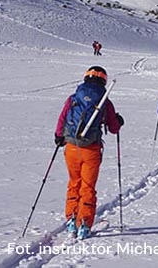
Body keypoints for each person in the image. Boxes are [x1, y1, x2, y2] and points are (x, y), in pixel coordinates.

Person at [54, 66, 123, 239]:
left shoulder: (73, 97)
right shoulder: (104, 101)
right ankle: (84, 223)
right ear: (103, 80)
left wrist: (59, 137)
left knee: (74, 183)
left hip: (71, 147)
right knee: (88, 186)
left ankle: (71, 219)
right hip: (91, 149)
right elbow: (113, 128)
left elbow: (62, 118)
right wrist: (119, 121)